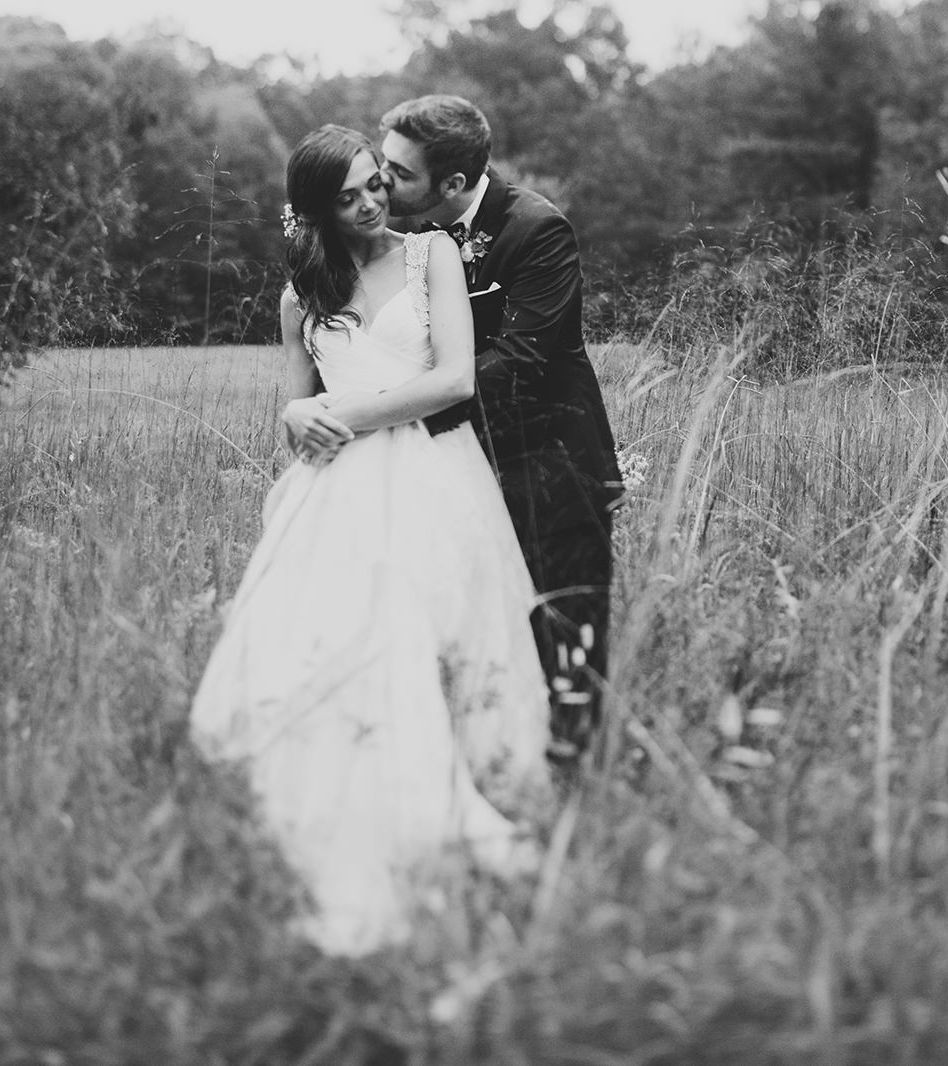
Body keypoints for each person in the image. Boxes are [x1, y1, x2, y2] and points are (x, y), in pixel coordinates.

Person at [189, 125, 550, 957]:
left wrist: (343, 415)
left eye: (374, 184)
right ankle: (340, 787)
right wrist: (293, 413)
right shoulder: (300, 294)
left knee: (420, 637)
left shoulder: (431, 259)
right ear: (315, 208)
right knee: (331, 646)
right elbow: (299, 409)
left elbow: (454, 379)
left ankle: (440, 793)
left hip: (430, 474)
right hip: (334, 493)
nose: (369, 202)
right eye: (348, 195)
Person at [378, 95, 624, 761]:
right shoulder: (399, 244)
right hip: (457, 473)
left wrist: (397, 405)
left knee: (566, 640)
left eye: (400, 172)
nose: (382, 179)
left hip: (550, 474)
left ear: (451, 184)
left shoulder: (535, 231)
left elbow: (524, 361)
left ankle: (577, 782)